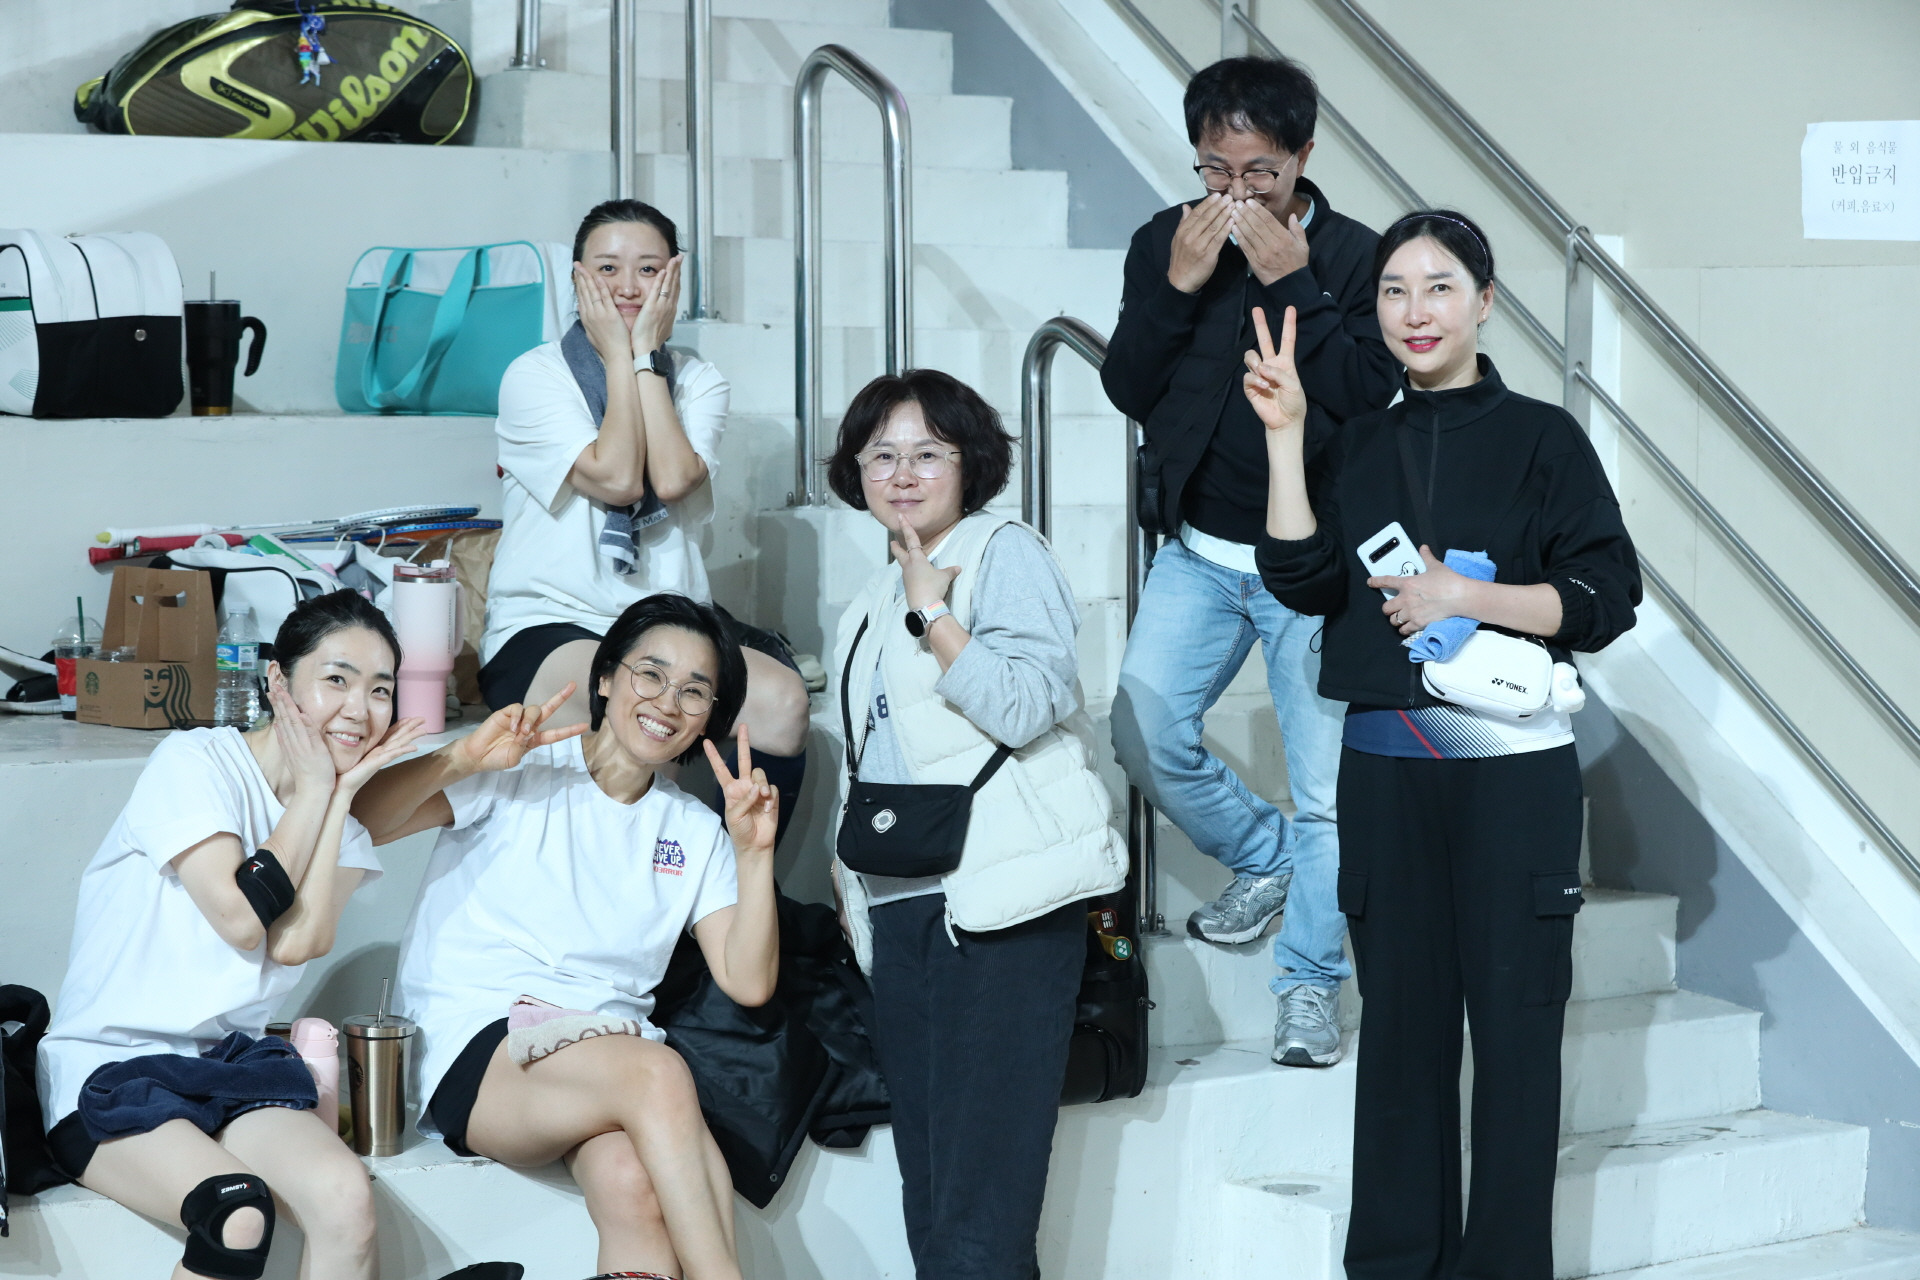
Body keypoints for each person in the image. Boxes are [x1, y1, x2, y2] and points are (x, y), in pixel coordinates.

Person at [1249, 211, 1641, 1279]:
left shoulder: (1544, 439)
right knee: (1401, 1038)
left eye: (1438, 287)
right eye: (1393, 290)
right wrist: (1286, 436)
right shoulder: (1353, 443)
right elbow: (1301, 579)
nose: (1414, 311)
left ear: (1484, 301)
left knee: (1516, 1036)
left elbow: (1606, 595)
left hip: (1514, 777)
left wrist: (1465, 596)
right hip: (1386, 774)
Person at [1101, 54, 1400, 1067]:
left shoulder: (1359, 257)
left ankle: (1309, 983)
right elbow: (1129, 385)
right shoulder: (1167, 241)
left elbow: (1364, 394)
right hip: (1197, 550)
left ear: (1303, 156)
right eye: (1216, 171)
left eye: (1260, 173)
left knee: (1328, 796)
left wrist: (1294, 284)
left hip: (1313, 566)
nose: (1236, 194)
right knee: (1143, 729)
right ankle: (1264, 858)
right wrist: (1178, 289)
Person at [353, 593, 778, 1280]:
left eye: (694, 691)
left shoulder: (696, 830)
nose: (667, 703)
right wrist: (461, 757)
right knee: (659, 1072)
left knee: (632, 1183)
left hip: (605, 1060)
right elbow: (362, 821)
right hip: (479, 1043)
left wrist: (754, 854)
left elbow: (749, 981)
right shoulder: (520, 766)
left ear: (711, 716)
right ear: (605, 677)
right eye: (651, 674)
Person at [824, 369, 1129, 1279]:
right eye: (882, 455)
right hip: (904, 907)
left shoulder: (1004, 551)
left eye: (928, 453)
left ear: (970, 464)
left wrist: (936, 615)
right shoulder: (866, 601)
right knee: (934, 1192)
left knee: (984, 1201)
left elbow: (1029, 703)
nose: (902, 474)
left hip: (1004, 902)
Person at [36, 590, 427, 1280]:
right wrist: (316, 791)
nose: (358, 709)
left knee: (346, 1202)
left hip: (225, 1068)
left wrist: (336, 798)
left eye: (379, 690)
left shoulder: (344, 827)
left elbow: (295, 944)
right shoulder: (195, 762)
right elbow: (242, 918)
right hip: (108, 1068)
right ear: (279, 680)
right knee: (236, 1211)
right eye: (336, 680)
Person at [479, 197, 810, 842]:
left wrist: (642, 361)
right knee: (635, 701)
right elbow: (617, 476)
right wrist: (618, 357)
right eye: (608, 269)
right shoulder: (536, 375)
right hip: (551, 622)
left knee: (785, 705)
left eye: (649, 270)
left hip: (671, 625)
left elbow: (676, 478)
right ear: (577, 279)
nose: (628, 287)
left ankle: (737, 883)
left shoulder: (698, 380)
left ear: (675, 279)